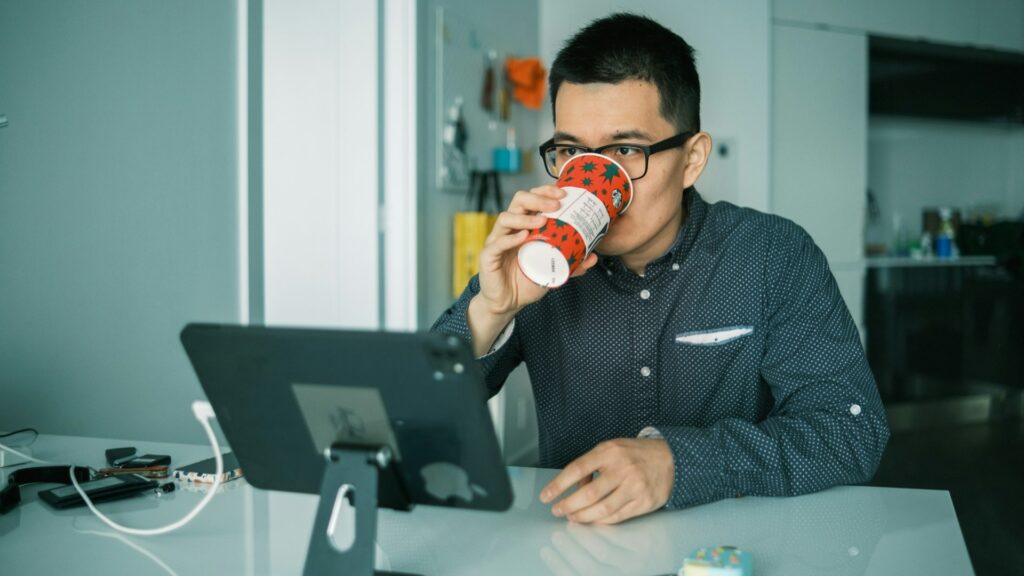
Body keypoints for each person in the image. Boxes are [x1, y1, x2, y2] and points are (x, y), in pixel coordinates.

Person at [432, 13, 889, 525]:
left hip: (733, 544)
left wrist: (681, 462)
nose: (593, 183)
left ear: (692, 159)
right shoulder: (539, 261)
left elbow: (853, 431)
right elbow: (418, 419)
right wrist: (493, 308)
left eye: (626, 150)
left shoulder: (770, 255)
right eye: (571, 152)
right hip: (575, 547)